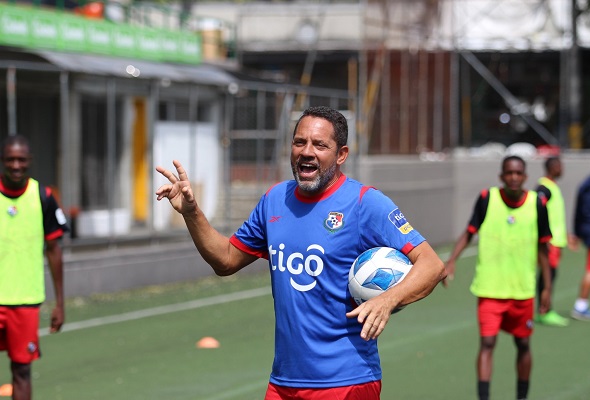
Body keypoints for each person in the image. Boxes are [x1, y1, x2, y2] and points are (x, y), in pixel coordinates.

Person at [156, 106, 446, 400]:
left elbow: (432, 265)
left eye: (320, 145)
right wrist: (192, 213)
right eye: (299, 142)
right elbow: (226, 260)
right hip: (283, 383)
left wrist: (387, 300)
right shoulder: (274, 200)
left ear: (341, 155)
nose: (307, 151)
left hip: (346, 381)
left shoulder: (365, 204)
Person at [443, 155, 552, 400]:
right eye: (509, 173)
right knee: (487, 344)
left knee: (523, 345)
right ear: (501, 176)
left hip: (522, 290)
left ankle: (522, 396)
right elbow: (468, 233)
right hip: (490, 289)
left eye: (518, 173)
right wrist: (451, 262)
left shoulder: (537, 204)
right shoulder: (486, 199)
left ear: (525, 177)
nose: (513, 177)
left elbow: (543, 248)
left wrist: (546, 288)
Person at [0, 134, 68, 400]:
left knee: (22, 371)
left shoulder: (44, 197)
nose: (16, 165)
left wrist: (60, 303)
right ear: (2, 161)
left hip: (26, 303)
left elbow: (54, 250)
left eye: (21, 160)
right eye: (10, 159)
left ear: (29, 161)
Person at [534, 156, 570, 327]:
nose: (562, 169)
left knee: (551, 275)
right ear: (553, 167)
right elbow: (537, 209)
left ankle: (546, 309)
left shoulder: (552, 187)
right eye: (560, 165)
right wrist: (544, 237)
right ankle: (544, 311)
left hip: (556, 241)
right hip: (549, 242)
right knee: (547, 275)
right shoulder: (544, 188)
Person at [570, 147, 590, 321]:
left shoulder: (586, 183)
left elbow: (578, 210)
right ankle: (580, 306)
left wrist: (577, 232)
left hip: (589, 231)